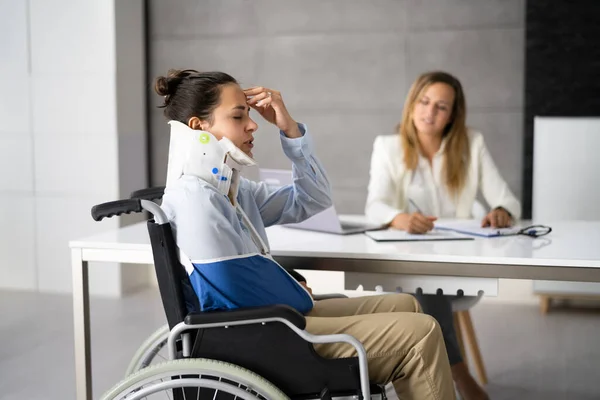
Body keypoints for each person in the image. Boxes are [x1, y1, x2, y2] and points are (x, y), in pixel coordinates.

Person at [157, 69, 455, 399]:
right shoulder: (194, 198)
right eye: (239, 116)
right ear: (199, 128)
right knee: (422, 332)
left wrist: (291, 130)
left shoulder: (232, 192)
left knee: (407, 306)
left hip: (272, 321)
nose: (253, 124)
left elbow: (313, 199)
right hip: (260, 337)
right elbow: (232, 286)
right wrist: (290, 289)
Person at [365, 70, 521, 400]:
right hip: (406, 263)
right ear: (412, 104)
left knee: (422, 289)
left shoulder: (472, 144)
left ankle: (441, 382)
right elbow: (374, 206)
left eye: (441, 106)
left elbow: (506, 199)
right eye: (424, 102)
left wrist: (501, 212)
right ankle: (461, 381)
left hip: (457, 263)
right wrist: (400, 218)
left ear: (453, 114)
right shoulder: (388, 147)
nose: (429, 112)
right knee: (419, 286)